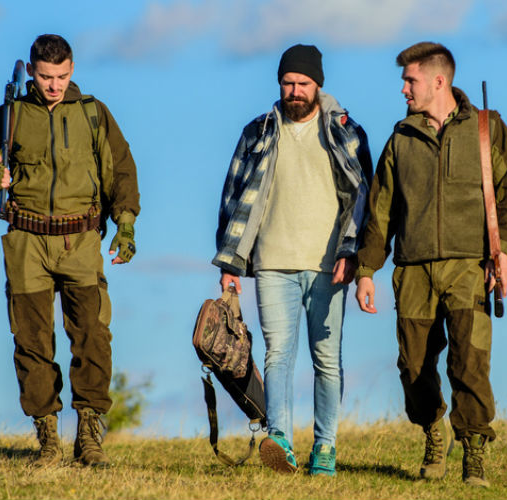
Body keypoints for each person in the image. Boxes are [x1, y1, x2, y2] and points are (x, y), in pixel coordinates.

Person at [354, 42, 507, 487]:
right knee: (413, 365)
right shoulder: (400, 139)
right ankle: (434, 432)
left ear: (439, 81)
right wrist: (366, 270)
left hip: (470, 267)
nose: (403, 89)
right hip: (412, 269)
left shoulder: (488, 130)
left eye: (409, 80)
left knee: (469, 364)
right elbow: (380, 211)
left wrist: (503, 249)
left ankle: (473, 451)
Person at [0, 34, 140, 468]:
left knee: (93, 337)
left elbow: (121, 169)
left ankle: (89, 437)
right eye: (45, 76)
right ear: (31, 71)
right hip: (26, 242)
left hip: (81, 239)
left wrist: (127, 224)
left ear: (72, 69)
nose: (54, 85)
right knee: (32, 342)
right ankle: (47, 442)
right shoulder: (9, 115)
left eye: (61, 76)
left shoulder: (93, 114)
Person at [213, 44, 372, 476]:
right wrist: (231, 262)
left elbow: (363, 199)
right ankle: (279, 439)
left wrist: (352, 253)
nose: (294, 91)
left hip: (329, 265)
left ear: (317, 84)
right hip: (272, 262)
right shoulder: (258, 131)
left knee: (326, 359)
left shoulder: (346, 130)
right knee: (276, 356)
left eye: (302, 83)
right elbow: (232, 196)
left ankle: (325, 447)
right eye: (287, 83)